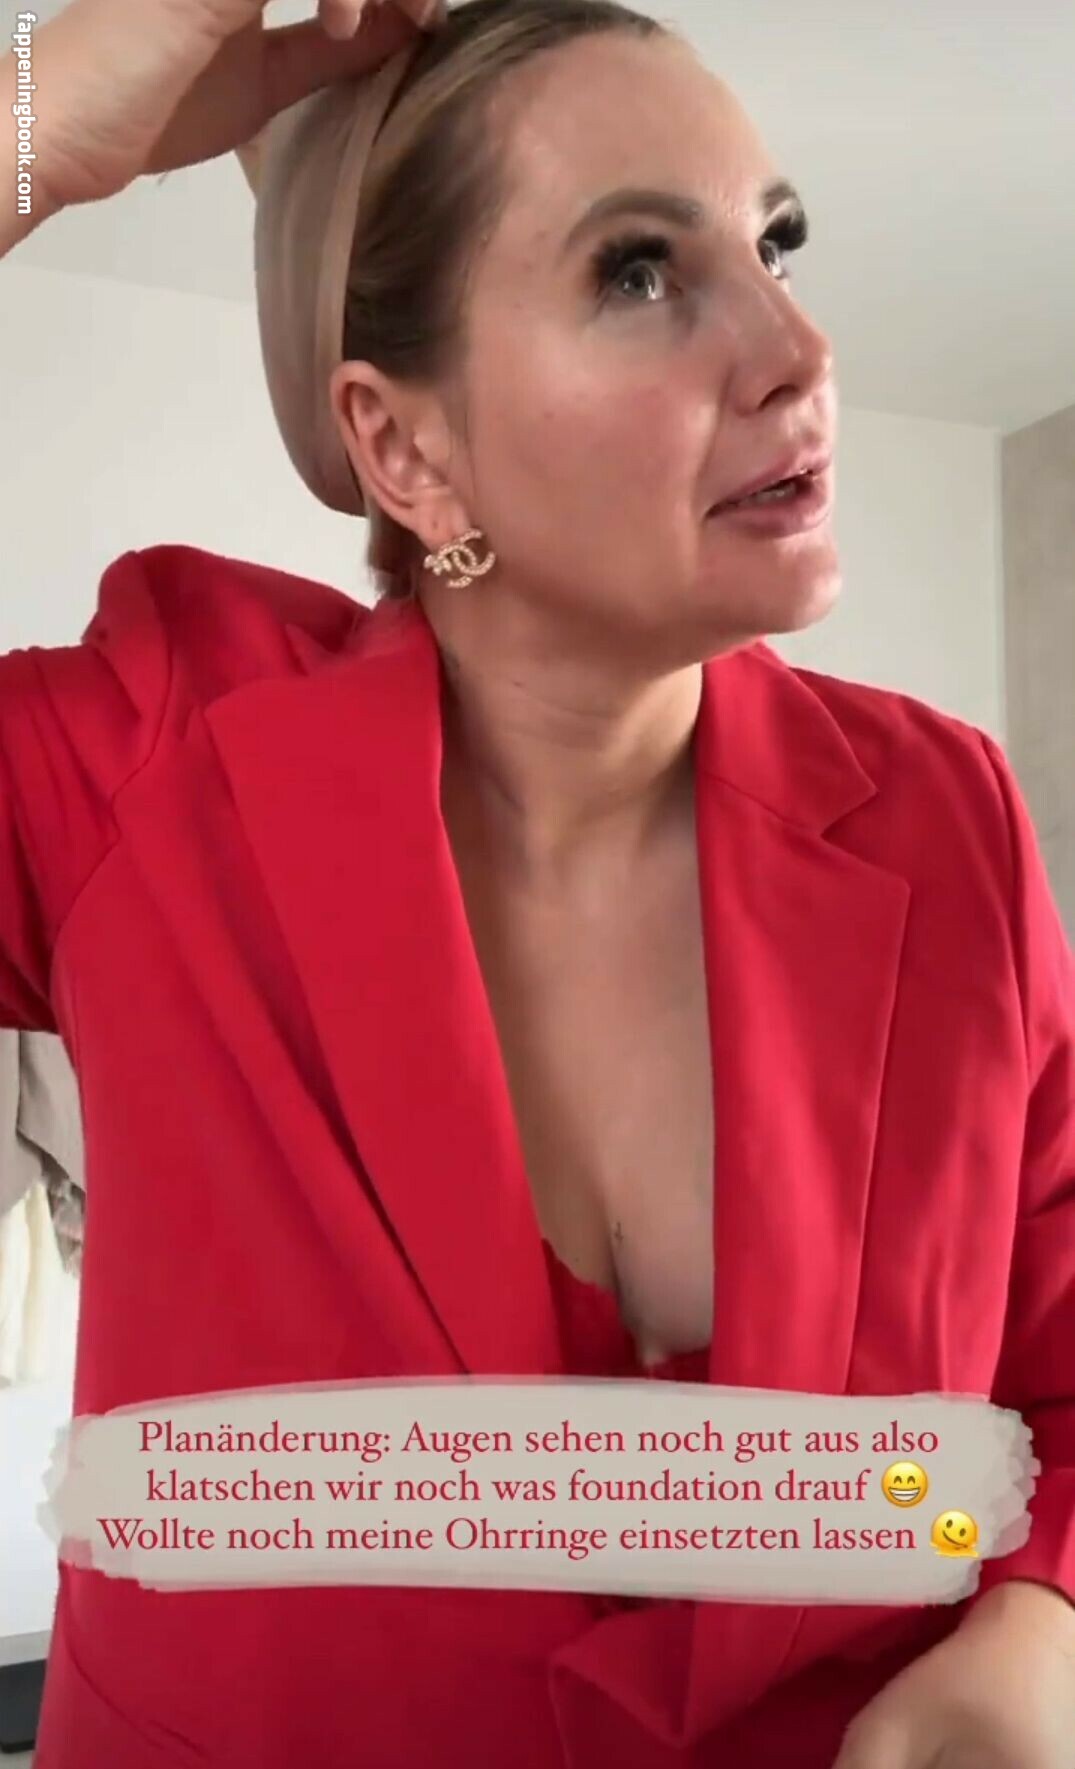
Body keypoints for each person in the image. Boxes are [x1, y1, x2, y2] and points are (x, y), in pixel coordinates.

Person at [2, 1, 1073, 1764]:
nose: (799, 348)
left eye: (776, 244)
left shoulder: (945, 817)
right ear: (408, 451)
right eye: (640, 271)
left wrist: (1042, 1619)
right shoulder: (156, 764)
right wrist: (31, 121)